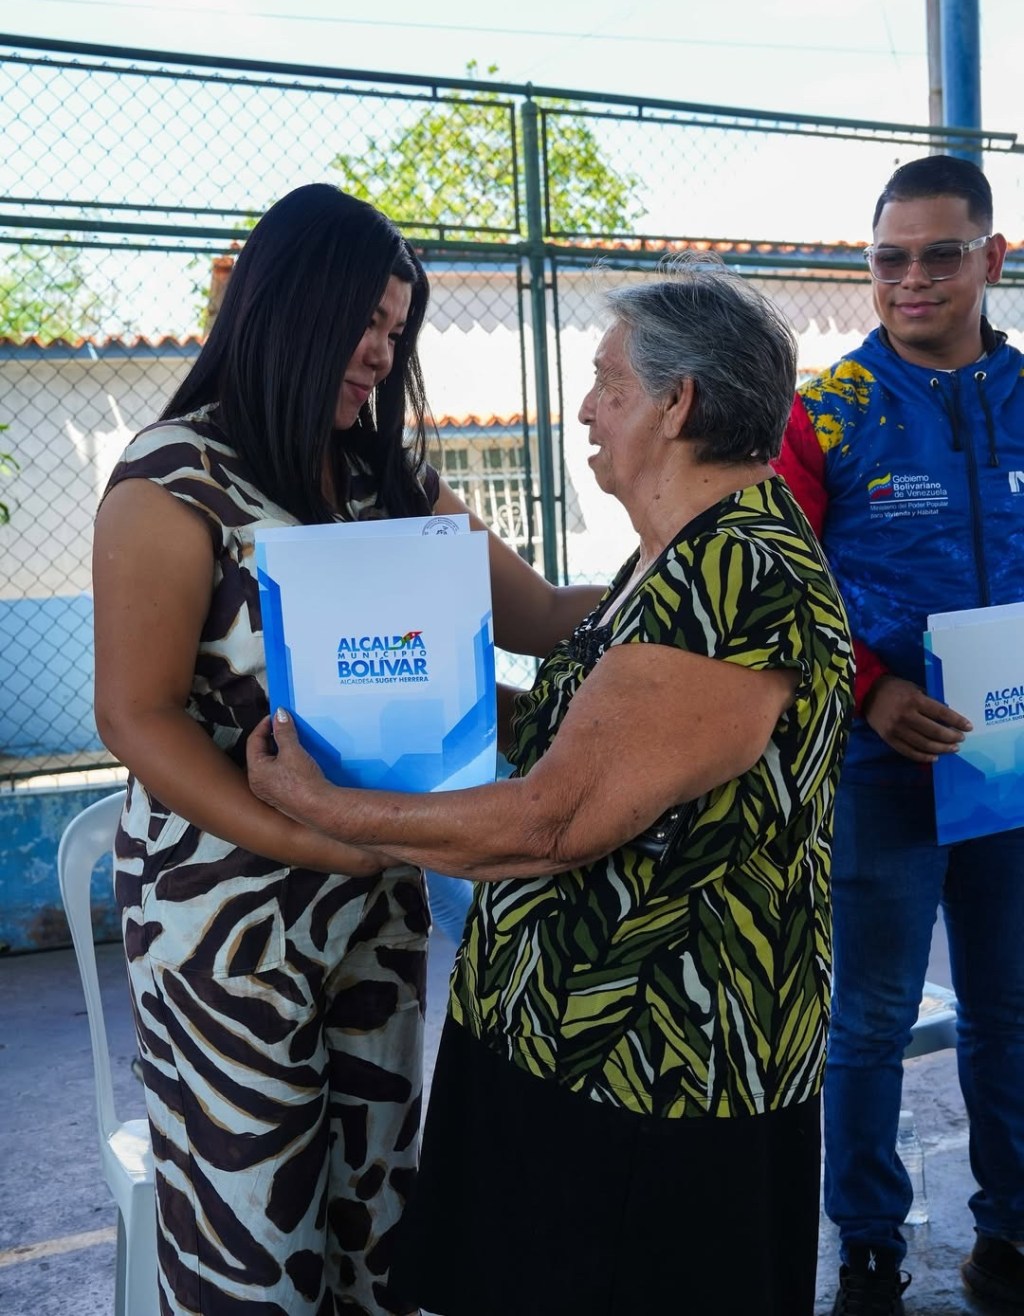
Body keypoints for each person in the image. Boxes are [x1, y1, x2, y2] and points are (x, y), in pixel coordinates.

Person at [246, 259, 854, 1316]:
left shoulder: (737, 569)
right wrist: (419, 695)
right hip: (568, 1045)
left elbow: (560, 814)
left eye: (608, 381)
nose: (584, 405)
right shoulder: (669, 562)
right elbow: (597, 730)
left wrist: (329, 804)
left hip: (653, 1072)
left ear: (678, 404)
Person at [91, 183, 602, 1316]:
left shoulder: (385, 481)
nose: (381, 351)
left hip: (373, 894)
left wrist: (700, 560)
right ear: (286, 309)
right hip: (225, 918)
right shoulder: (174, 480)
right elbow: (137, 716)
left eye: (394, 328)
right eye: (364, 322)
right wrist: (299, 833)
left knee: (373, 1212)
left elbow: (542, 617)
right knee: (254, 1237)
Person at [776, 154, 1024, 1316]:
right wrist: (871, 687)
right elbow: (781, 588)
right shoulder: (823, 412)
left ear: (992, 256)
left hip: (1009, 763)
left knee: (1010, 1008)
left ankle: (1010, 1233)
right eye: (889, 258)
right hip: (881, 764)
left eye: (938, 254)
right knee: (868, 1017)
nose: (911, 279)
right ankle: (868, 1241)